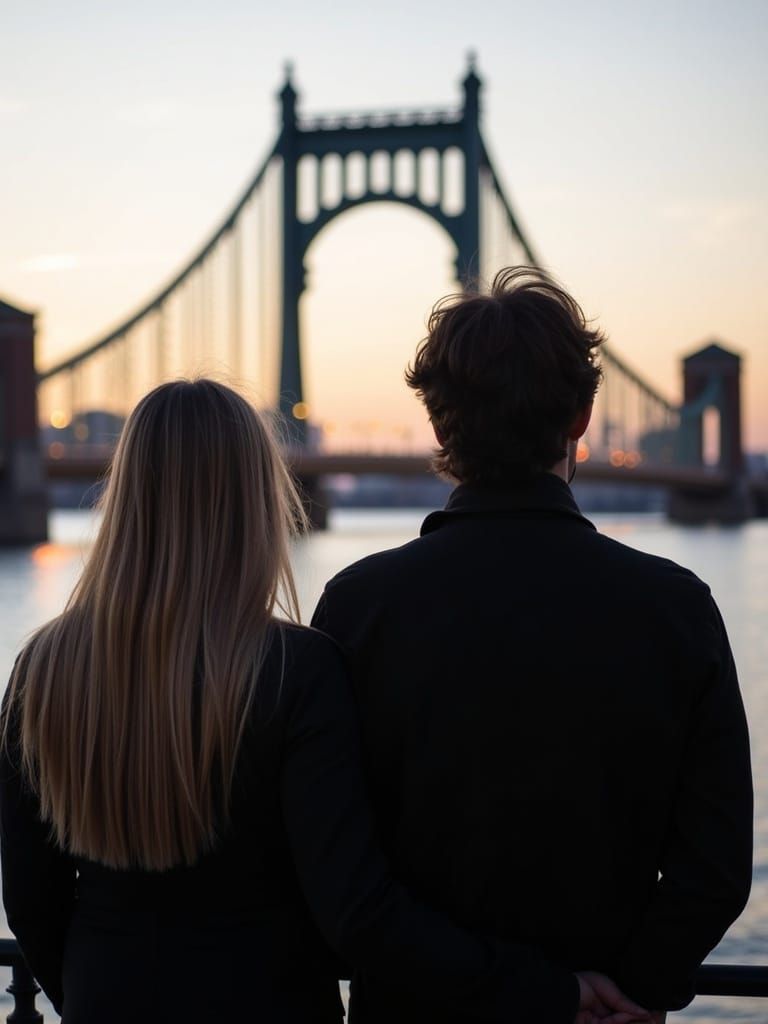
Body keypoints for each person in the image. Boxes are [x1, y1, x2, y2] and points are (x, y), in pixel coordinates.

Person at [0, 379, 648, 1024]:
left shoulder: (43, 671)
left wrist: (92, 991)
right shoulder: (293, 672)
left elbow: (32, 903)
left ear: (126, 497)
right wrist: (546, 990)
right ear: (255, 501)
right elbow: (358, 912)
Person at [311, 267, 754, 1024]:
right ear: (582, 417)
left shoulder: (357, 611)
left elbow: (346, 890)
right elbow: (712, 872)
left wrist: (527, 994)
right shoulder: (677, 610)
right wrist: (625, 992)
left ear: (438, 423)